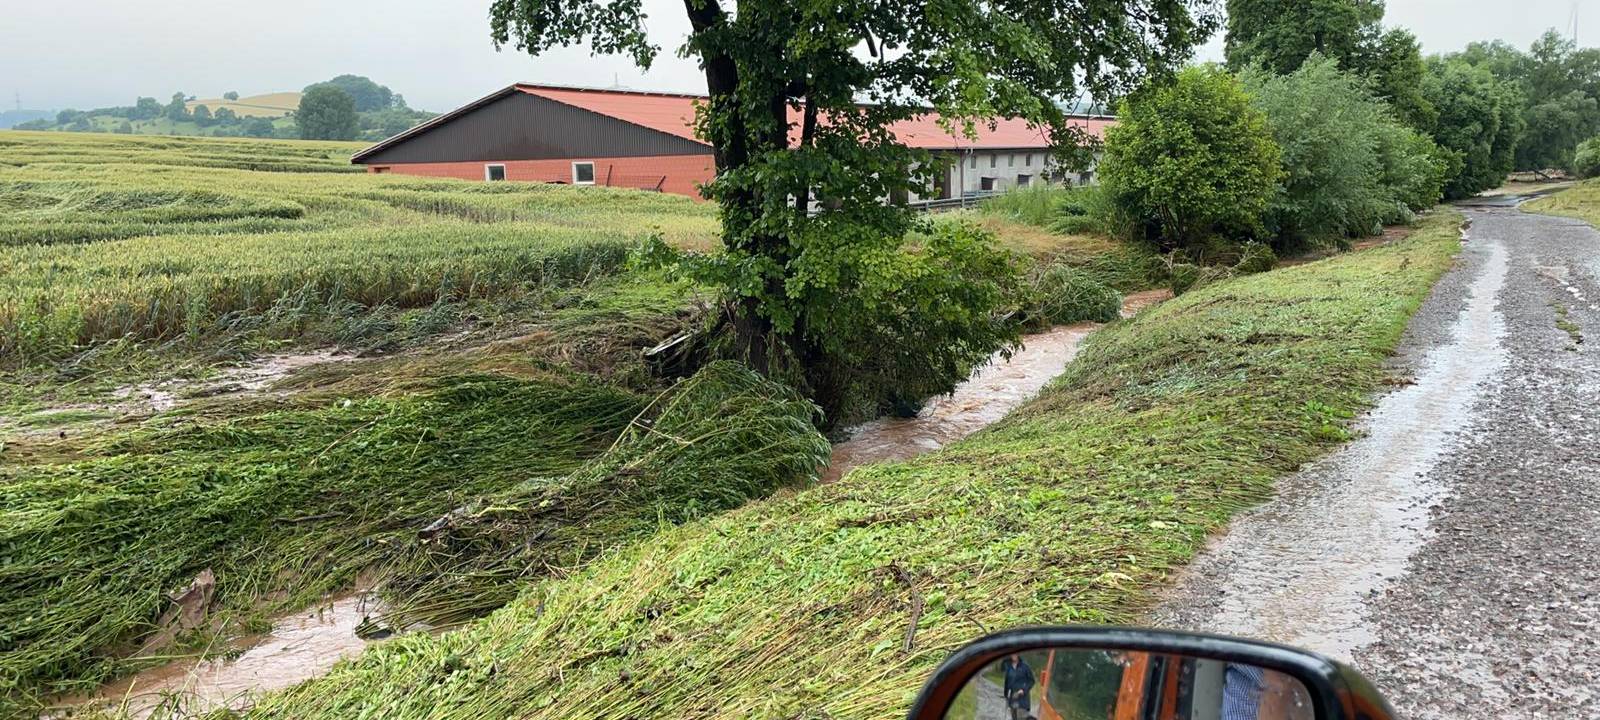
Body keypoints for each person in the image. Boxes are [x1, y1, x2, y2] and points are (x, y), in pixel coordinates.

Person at [1002, 653, 1036, 720]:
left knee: (1021, 717)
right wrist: (1006, 696)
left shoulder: (1025, 667)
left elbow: (1031, 681)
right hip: (1013, 700)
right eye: (1012, 654)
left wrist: (1023, 690)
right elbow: (1006, 683)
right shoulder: (1009, 668)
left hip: (1023, 700)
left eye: (1015, 654)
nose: (1014, 655)